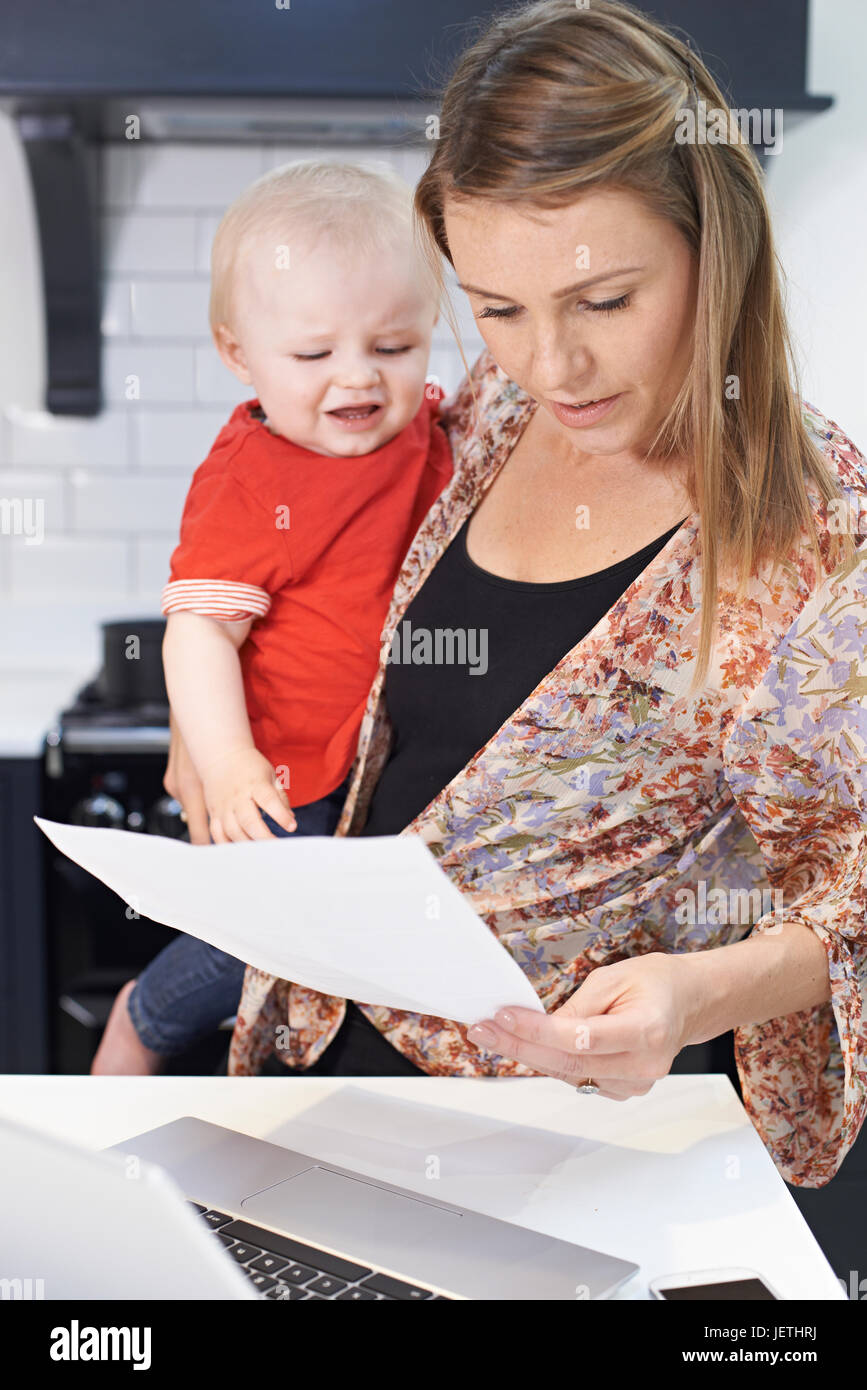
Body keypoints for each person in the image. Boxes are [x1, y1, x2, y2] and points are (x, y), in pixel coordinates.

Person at [166, 0, 865, 1191]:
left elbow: (850, 887)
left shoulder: (822, 539)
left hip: (556, 1145)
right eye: (495, 308)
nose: (552, 365)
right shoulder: (487, 410)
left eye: (603, 301)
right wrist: (209, 729)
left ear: (717, 246)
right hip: (314, 1069)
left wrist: (699, 991)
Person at [91, 160, 452, 1074]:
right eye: (314, 354)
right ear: (236, 353)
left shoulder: (425, 431)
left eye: (395, 346)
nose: (358, 377)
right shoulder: (251, 483)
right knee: (266, 941)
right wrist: (225, 758)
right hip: (282, 772)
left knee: (344, 956)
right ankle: (144, 1020)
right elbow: (202, 630)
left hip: (378, 759)